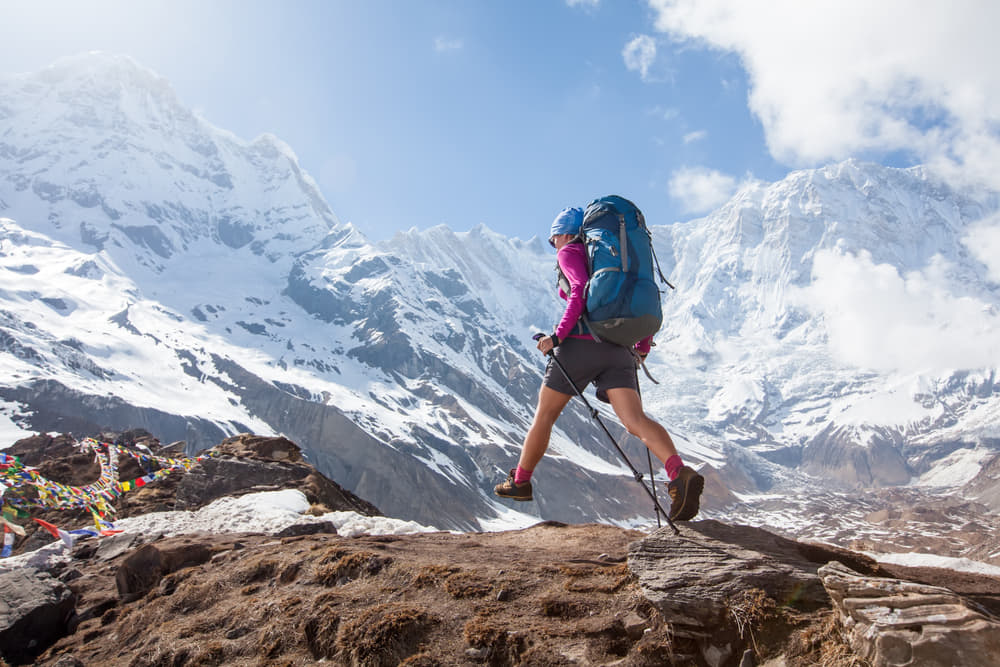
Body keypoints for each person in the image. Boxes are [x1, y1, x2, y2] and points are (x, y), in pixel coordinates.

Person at [494, 206, 704, 521]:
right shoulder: (619, 260)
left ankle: (520, 482)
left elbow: (578, 290)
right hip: (619, 350)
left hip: (579, 347)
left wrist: (557, 337)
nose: (554, 246)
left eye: (553, 240)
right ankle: (679, 474)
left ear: (564, 233)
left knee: (545, 416)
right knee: (635, 421)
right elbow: (642, 303)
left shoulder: (570, 252)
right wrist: (642, 347)